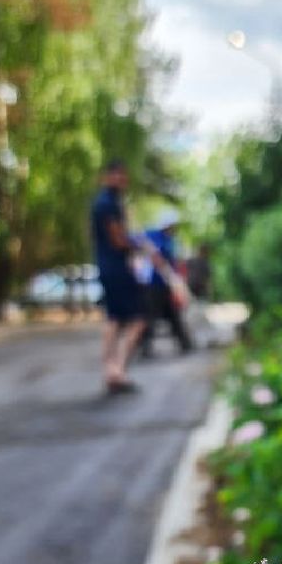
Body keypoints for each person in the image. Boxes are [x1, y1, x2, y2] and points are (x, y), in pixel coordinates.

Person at [90, 159, 143, 394]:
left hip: (110, 267)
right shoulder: (107, 204)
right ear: (109, 176)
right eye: (119, 175)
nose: (123, 180)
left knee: (115, 319)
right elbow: (118, 239)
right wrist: (139, 247)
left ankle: (113, 370)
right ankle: (116, 369)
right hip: (116, 268)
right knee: (136, 319)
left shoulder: (108, 202)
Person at [139, 208, 194, 357]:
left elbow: (174, 262)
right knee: (151, 315)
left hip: (168, 283)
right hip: (153, 283)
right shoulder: (153, 235)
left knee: (173, 313)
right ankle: (144, 346)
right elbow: (145, 246)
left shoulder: (171, 240)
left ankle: (185, 343)